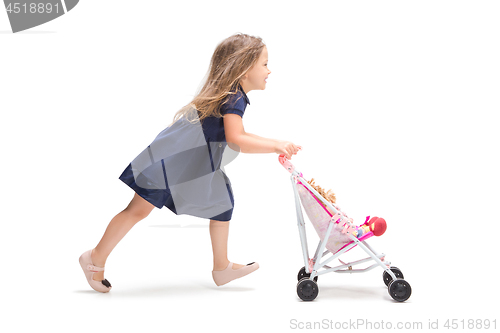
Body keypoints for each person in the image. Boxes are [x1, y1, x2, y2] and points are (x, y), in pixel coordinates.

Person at [79, 33, 302, 293]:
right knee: (137, 211)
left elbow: (239, 134)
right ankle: (94, 258)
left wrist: (276, 142)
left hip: (191, 162)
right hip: (175, 162)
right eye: (264, 64)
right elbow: (236, 138)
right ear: (244, 69)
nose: (269, 70)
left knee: (221, 204)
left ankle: (222, 268)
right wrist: (275, 146)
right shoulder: (234, 97)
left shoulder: (231, 94)